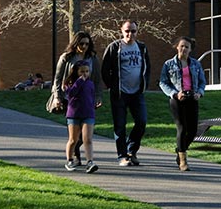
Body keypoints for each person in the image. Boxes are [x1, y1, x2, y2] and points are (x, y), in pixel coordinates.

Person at [101, 19, 152, 167]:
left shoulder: (142, 48)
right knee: (120, 125)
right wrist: (113, 86)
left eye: (133, 31)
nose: (130, 34)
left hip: (137, 93)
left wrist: (144, 85)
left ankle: (132, 151)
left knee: (141, 122)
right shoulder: (114, 47)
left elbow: (147, 68)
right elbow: (105, 70)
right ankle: (122, 156)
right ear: (121, 31)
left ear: (137, 31)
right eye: (127, 31)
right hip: (120, 93)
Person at [51, 32, 102, 166]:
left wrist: (97, 96)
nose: (84, 46)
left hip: (87, 99)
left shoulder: (92, 58)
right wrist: (57, 97)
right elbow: (58, 78)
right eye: (81, 44)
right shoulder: (66, 58)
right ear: (75, 44)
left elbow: (96, 79)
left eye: (87, 43)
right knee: (74, 135)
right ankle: (74, 157)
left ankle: (83, 158)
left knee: (85, 134)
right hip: (70, 98)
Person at [159, 36, 207, 171]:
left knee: (192, 131)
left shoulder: (196, 64)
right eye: (182, 46)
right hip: (177, 100)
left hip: (192, 99)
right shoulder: (169, 64)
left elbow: (203, 82)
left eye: (187, 47)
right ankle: (183, 161)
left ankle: (180, 150)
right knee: (182, 128)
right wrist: (174, 93)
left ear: (190, 49)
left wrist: (199, 93)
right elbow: (163, 82)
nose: (184, 49)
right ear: (177, 47)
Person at [64, 62, 99, 173]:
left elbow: (91, 96)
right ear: (76, 72)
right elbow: (70, 94)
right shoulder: (70, 83)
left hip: (88, 113)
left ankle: (90, 162)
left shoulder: (90, 83)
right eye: (82, 71)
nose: (85, 74)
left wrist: (94, 105)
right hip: (74, 114)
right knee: (73, 140)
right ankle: (70, 160)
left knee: (87, 139)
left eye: (87, 71)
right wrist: (79, 81)